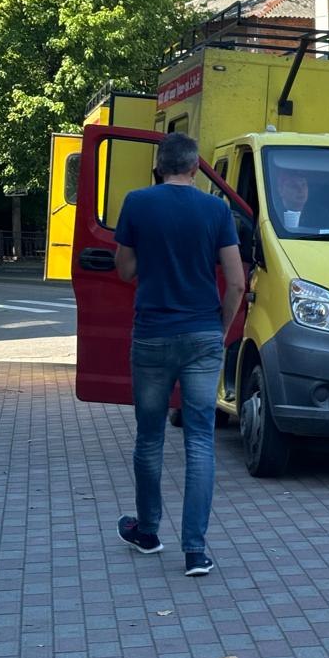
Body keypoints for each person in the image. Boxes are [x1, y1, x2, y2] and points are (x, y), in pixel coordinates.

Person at [113, 132, 245, 578]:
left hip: (151, 335)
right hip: (203, 335)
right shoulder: (216, 209)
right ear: (195, 167)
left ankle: (147, 531)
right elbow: (238, 282)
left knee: (149, 437)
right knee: (200, 442)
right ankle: (195, 551)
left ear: (159, 165)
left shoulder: (137, 203)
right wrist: (221, 331)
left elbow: (125, 268)